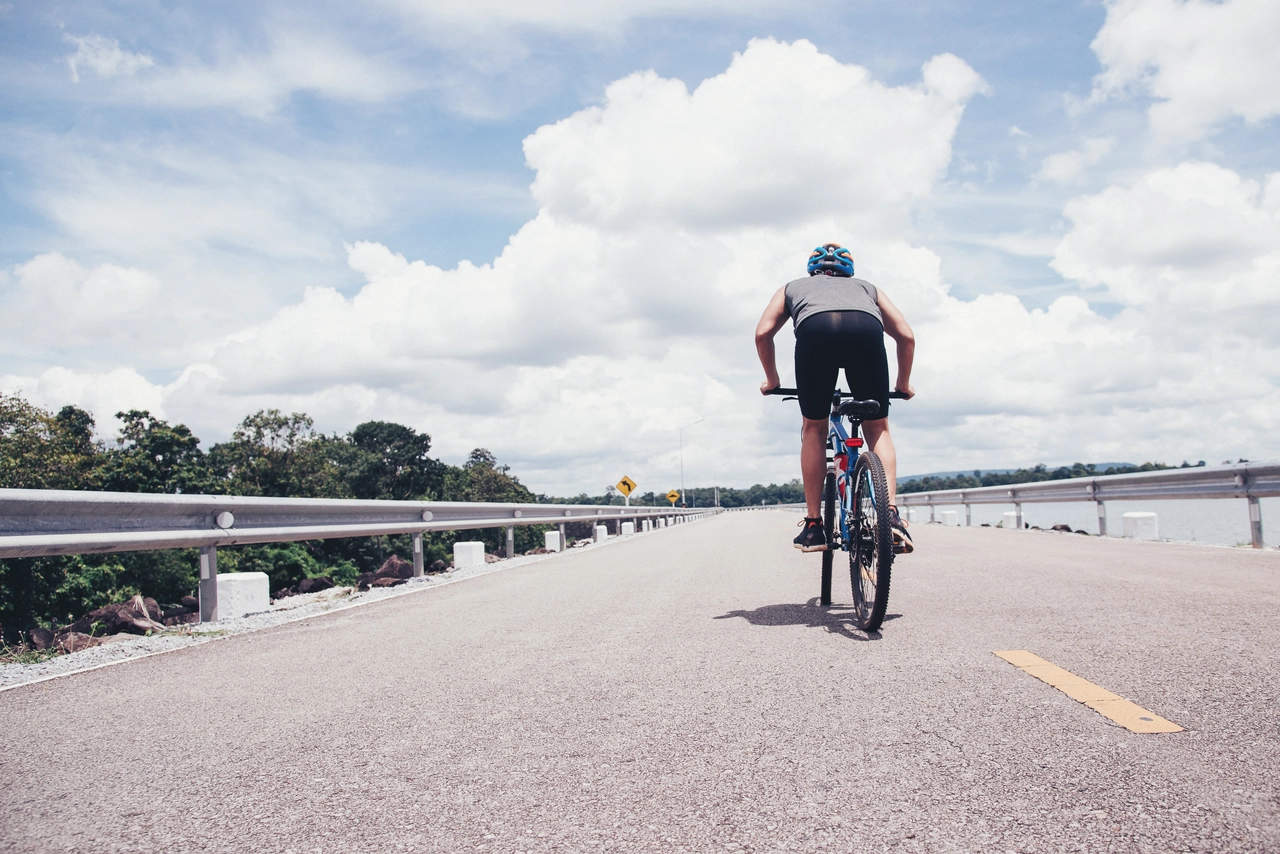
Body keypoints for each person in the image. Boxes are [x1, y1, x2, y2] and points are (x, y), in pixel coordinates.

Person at [755, 243, 915, 553]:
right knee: (877, 426)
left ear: (812, 269)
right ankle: (891, 515)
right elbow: (906, 336)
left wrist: (772, 380)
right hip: (865, 332)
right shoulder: (868, 289)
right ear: (849, 272)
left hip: (815, 334)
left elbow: (763, 333)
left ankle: (815, 526)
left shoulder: (792, 287)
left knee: (814, 426)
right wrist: (903, 384)